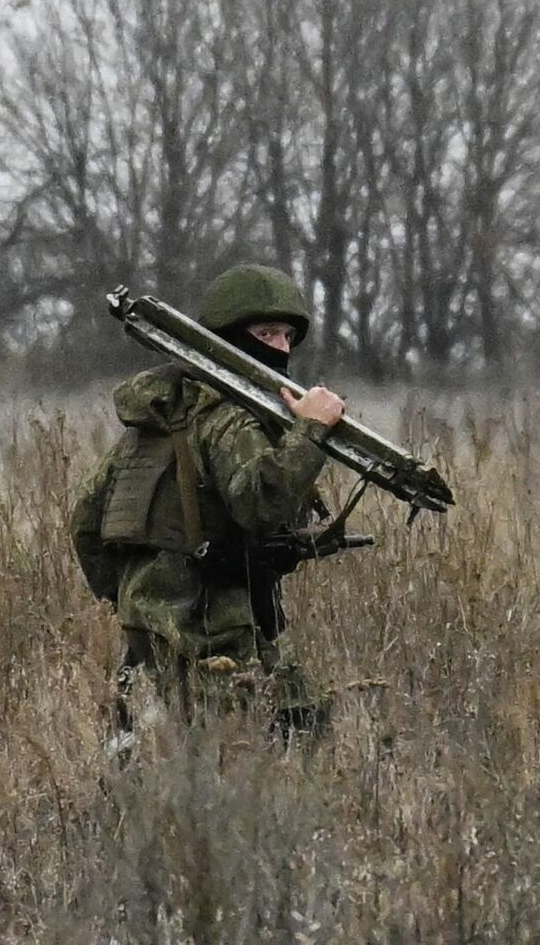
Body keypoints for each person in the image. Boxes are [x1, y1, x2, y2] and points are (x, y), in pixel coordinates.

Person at [69, 264, 345, 736]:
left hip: (148, 631)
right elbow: (260, 503)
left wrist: (140, 594)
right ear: (230, 339)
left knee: (141, 749)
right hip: (215, 628)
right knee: (282, 740)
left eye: (287, 336)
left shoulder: (157, 419)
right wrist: (312, 431)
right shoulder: (228, 419)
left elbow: (86, 524)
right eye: (266, 333)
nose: (281, 347)